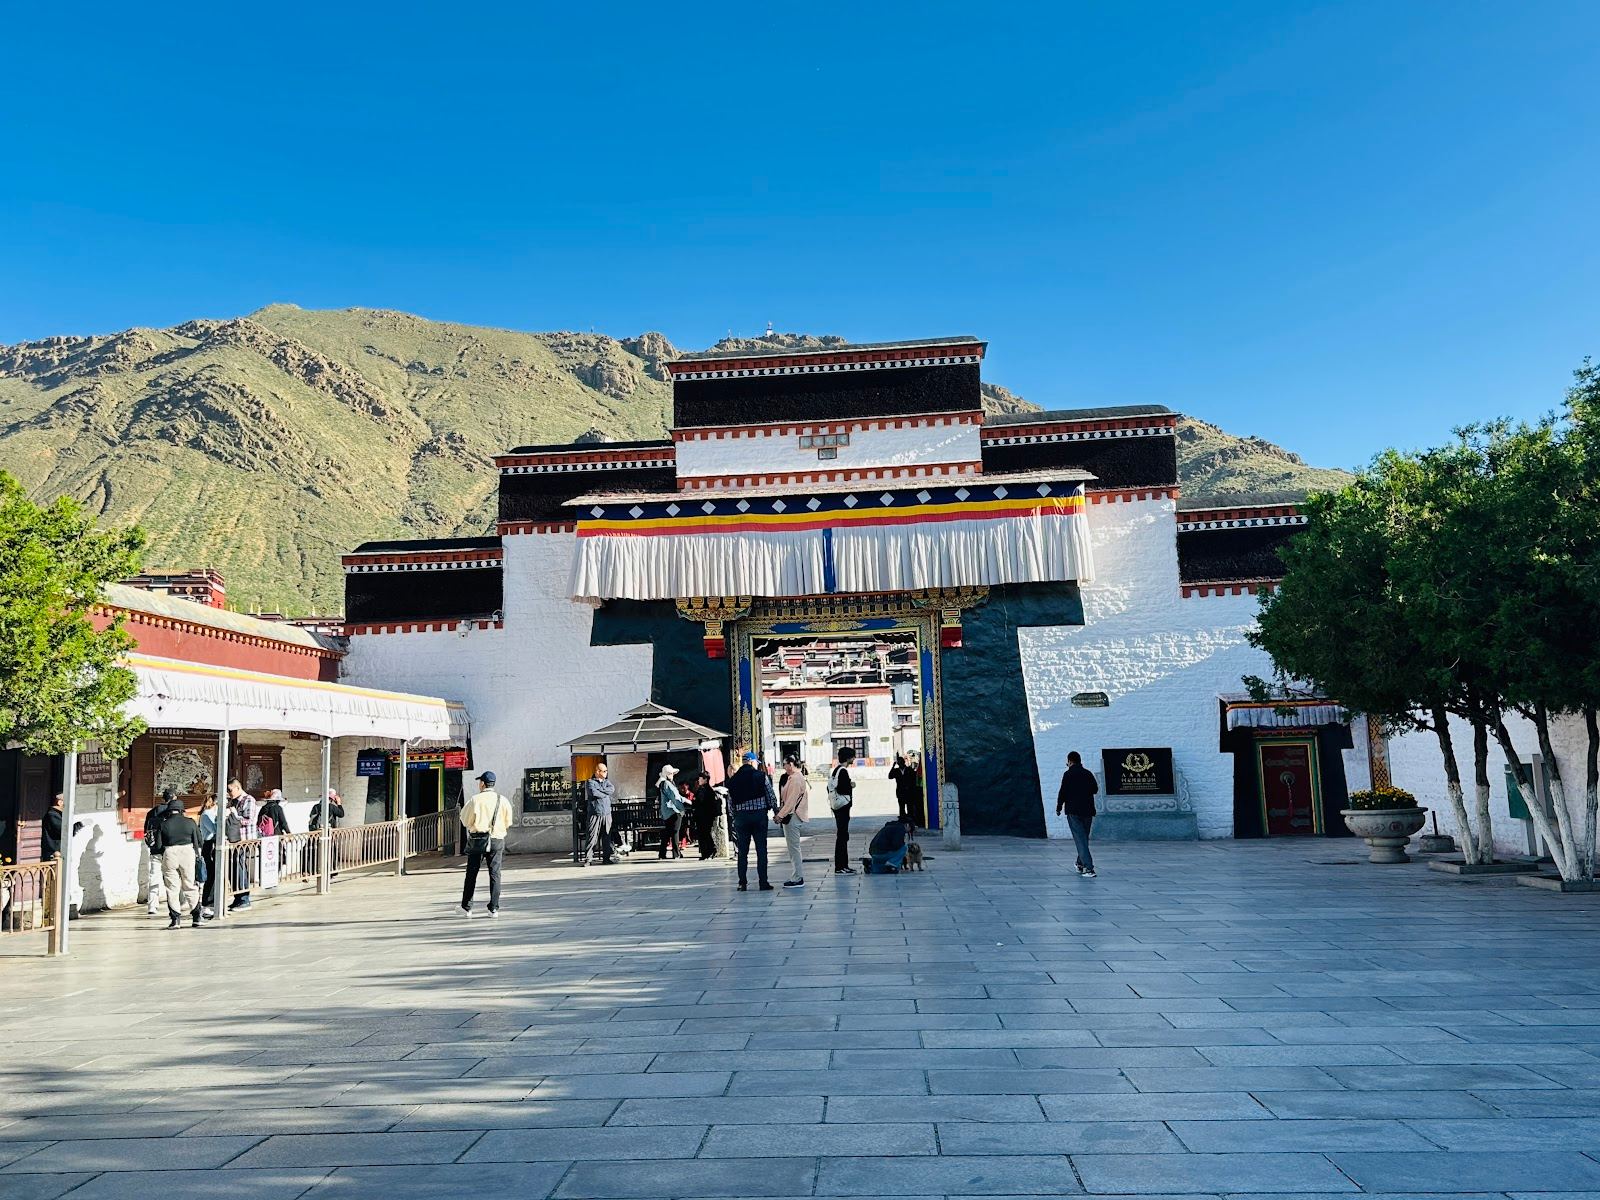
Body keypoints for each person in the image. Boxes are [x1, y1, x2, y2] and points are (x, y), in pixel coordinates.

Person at [459, 770, 512, 917]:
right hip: (496, 839)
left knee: (471, 873)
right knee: (495, 873)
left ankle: (467, 907)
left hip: (478, 839)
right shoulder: (503, 800)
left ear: (482, 784)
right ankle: (493, 908)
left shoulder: (475, 800)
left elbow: (465, 820)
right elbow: (508, 822)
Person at [154, 790, 206, 928]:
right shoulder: (190, 822)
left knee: (172, 888)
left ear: (170, 811)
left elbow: (158, 845)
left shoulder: (163, 824)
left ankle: (175, 919)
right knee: (189, 885)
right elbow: (199, 841)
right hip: (187, 852)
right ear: (182, 810)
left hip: (170, 853)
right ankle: (196, 917)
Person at [726, 751, 776, 891]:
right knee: (761, 850)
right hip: (759, 816)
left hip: (742, 817)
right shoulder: (761, 776)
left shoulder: (733, 781)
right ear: (752, 762)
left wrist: (736, 817)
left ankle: (742, 882)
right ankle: (763, 882)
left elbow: (730, 803)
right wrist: (776, 811)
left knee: (743, 851)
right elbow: (770, 795)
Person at [1056, 750, 1100, 878]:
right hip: (1088, 810)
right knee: (1083, 838)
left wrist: (1059, 807)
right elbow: (1095, 789)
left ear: (1070, 762)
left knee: (1080, 839)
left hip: (1073, 811)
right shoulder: (1088, 774)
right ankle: (1080, 864)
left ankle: (1089, 868)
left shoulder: (1068, 774)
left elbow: (1062, 792)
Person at [776, 758, 809, 888]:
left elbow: (790, 801)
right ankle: (796, 875)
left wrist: (780, 815)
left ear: (790, 765)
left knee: (794, 848)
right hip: (793, 814)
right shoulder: (793, 778)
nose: (783, 767)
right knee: (792, 847)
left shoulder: (795, 779)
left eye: (784, 764)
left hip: (793, 816)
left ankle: (798, 877)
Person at [225, 778, 257, 910]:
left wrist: (233, 815)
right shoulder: (232, 801)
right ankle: (237, 897)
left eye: (230, 790)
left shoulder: (249, 800)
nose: (229, 793)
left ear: (238, 788)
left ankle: (244, 898)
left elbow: (249, 820)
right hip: (233, 839)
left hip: (244, 839)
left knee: (241, 868)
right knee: (233, 869)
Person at [580, 762, 617, 867]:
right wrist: (604, 793)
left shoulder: (607, 782)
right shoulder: (590, 782)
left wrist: (602, 791)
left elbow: (611, 789)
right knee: (592, 837)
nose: (606, 773)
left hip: (606, 813)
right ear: (598, 771)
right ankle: (588, 859)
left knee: (607, 836)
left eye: (606, 771)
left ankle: (606, 858)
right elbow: (594, 793)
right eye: (604, 771)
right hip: (595, 813)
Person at [828, 749, 858, 875]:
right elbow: (842, 788)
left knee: (842, 836)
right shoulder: (843, 771)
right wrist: (851, 785)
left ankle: (842, 865)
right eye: (853, 757)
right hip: (843, 807)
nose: (854, 759)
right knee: (842, 837)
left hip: (836, 807)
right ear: (848, 758)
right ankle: (841, 866)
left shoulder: (835, 770)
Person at [309, 788, 344, 880]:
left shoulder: (316, 806)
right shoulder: (331, 807)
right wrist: (339, 803)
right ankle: (331, 871)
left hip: (317, 833)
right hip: (328, 833)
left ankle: (316, 870)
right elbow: (341, 814)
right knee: (330, 851)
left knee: (317, 851)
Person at [143, 796, 169, 915]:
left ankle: (152, 905)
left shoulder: (151, 813)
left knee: (154, 877)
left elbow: (146, 832)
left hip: (154, 851)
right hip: (169, 850)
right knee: (173, 877)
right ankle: (179, 902)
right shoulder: (172, 813)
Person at [688, 771, 718, 860]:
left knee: (703, 834)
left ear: (705, 779)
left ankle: (708, 851)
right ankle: (709, 850)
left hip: (703, 815)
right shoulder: (709, 790)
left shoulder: (703, 790)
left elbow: (698, 802)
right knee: (705, 833)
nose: (698, 780)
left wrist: (694, 801)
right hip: (707, 815)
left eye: (700, 778)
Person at [656, 765, 685, 860]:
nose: (672, 775)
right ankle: (676, 853)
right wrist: (681, 809)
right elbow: (675, 798)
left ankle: (662, 853)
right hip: (673, 811)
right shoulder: (668, 784)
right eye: (671, 773)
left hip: (666, 812)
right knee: (675, 832)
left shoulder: (662, 784)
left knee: (667, 833)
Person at [890, 753, 925, 827]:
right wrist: (893, 767)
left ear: (903, 762)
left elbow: (913, 779)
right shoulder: (896, 771)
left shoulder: (909, 770)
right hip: (900, 792)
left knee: (910, 807)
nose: (900, 764)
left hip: (909, 792)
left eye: (901, 762)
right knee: (901, 807)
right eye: (898, 763)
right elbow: (890, 776)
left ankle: (911, 820)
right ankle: (902, 821)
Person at [198, 796, 218, 918]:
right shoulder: (207, 814)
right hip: (209, 844)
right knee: (211, 874)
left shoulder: (210, 814)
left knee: (214, 874)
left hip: (212, 844)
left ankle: (213, 900)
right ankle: (207, 901)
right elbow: (215, 829)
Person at [41, 793, 63, 861]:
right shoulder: (53, 815)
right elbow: (62, 831)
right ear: (60, 802)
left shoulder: (56, 815)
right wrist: (79, 825)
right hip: (53, 852)